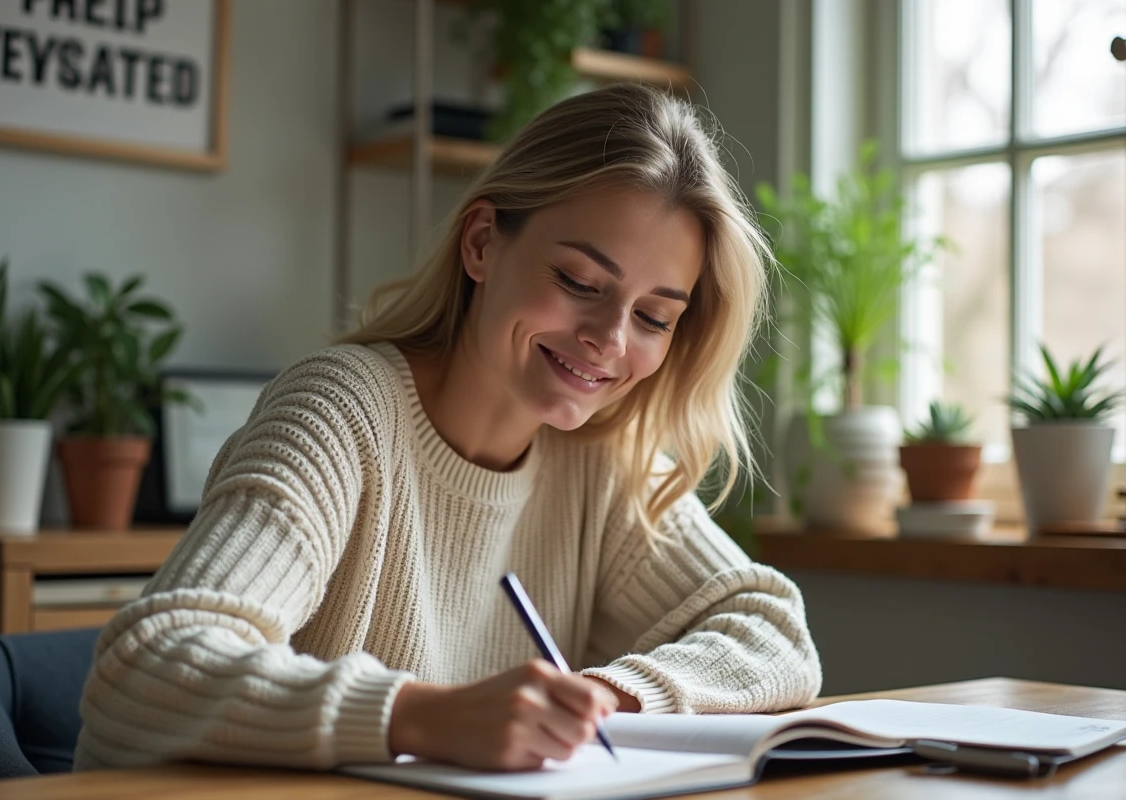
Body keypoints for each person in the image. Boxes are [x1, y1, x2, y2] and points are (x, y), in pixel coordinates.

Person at [74, 83, 821, 774]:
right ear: (481, 244)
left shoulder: (606, 458)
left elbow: (775, 631)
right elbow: (148, 666)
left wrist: (603, 699)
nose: (610, 339)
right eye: (579, 283)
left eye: (654, 316)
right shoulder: (340, 412)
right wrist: (418, 717)